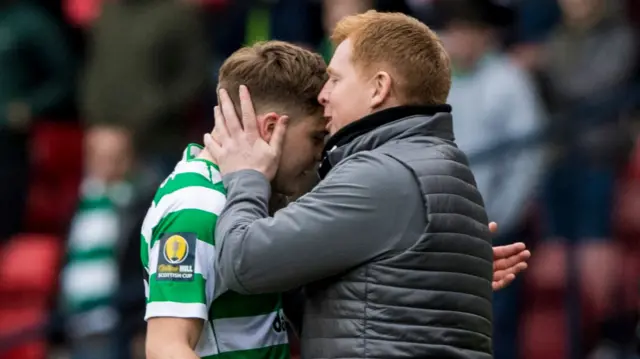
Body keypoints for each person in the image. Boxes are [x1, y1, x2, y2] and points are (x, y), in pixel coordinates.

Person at [143, 38, 529, 358]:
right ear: (271, 128)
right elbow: (166, 347)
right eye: (315, 137)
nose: (320, 154)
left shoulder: (253, 200)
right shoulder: (198, 203)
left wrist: (420, 262)